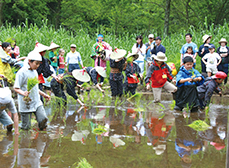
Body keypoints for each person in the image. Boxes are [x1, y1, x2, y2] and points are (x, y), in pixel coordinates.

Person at [14, 51, 50, 130]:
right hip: (26, 102)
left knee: (43, 119)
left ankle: (41, 139)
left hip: (36, 101)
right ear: (29, 61)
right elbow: (16, 88)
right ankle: (25, 139)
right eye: (36, 63)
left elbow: (35, 88)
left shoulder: (35, 72)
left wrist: (43, 94)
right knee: (26, 127)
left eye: (39, 64)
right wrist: (23, 93)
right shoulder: (21, 73)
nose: (37, 66)